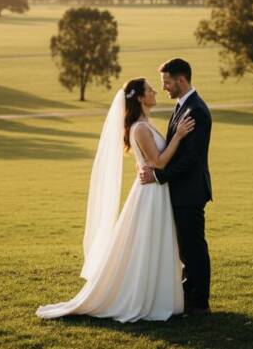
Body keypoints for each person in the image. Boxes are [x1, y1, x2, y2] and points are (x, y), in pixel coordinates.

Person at [36, 76, 195, 322]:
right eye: (150, 89)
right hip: (150, 194)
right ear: (141, 98)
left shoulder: (145, 124)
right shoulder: (140, 129)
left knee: (153, 242)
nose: (155, 91)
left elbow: (151, 162)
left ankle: (158, 295)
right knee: (147, 244)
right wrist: (179, 136)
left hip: (156, 188)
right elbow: (159, 162)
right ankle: (142, 297)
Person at [139, 58, 213, 315]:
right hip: (181, 191)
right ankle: (188, 293)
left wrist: (159, 177)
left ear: (181, 80)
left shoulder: (197, 111)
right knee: (185, 247)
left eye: (167, 83)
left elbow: (190, 158)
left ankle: (200, 302)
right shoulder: (184, 106)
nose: (165, 88)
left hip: (191, 191)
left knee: (193, 247)